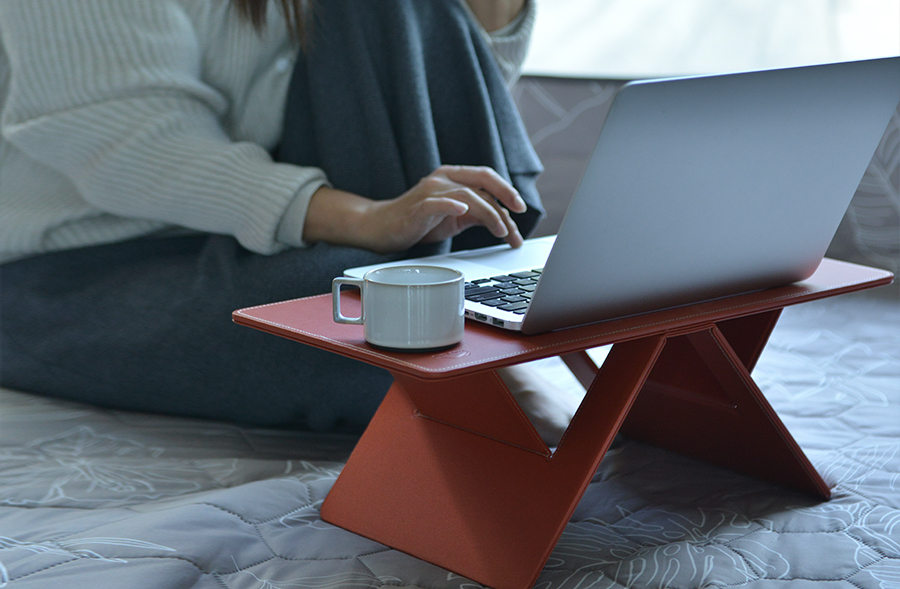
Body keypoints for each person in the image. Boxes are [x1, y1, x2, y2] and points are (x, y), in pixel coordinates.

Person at [0, 0, 583, 443]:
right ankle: (458, 353)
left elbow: (439, 104)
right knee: (331, 314)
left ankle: (463, 321)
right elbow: (125, 144)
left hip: (246, 234)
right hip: (72, 267)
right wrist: (368, 219)